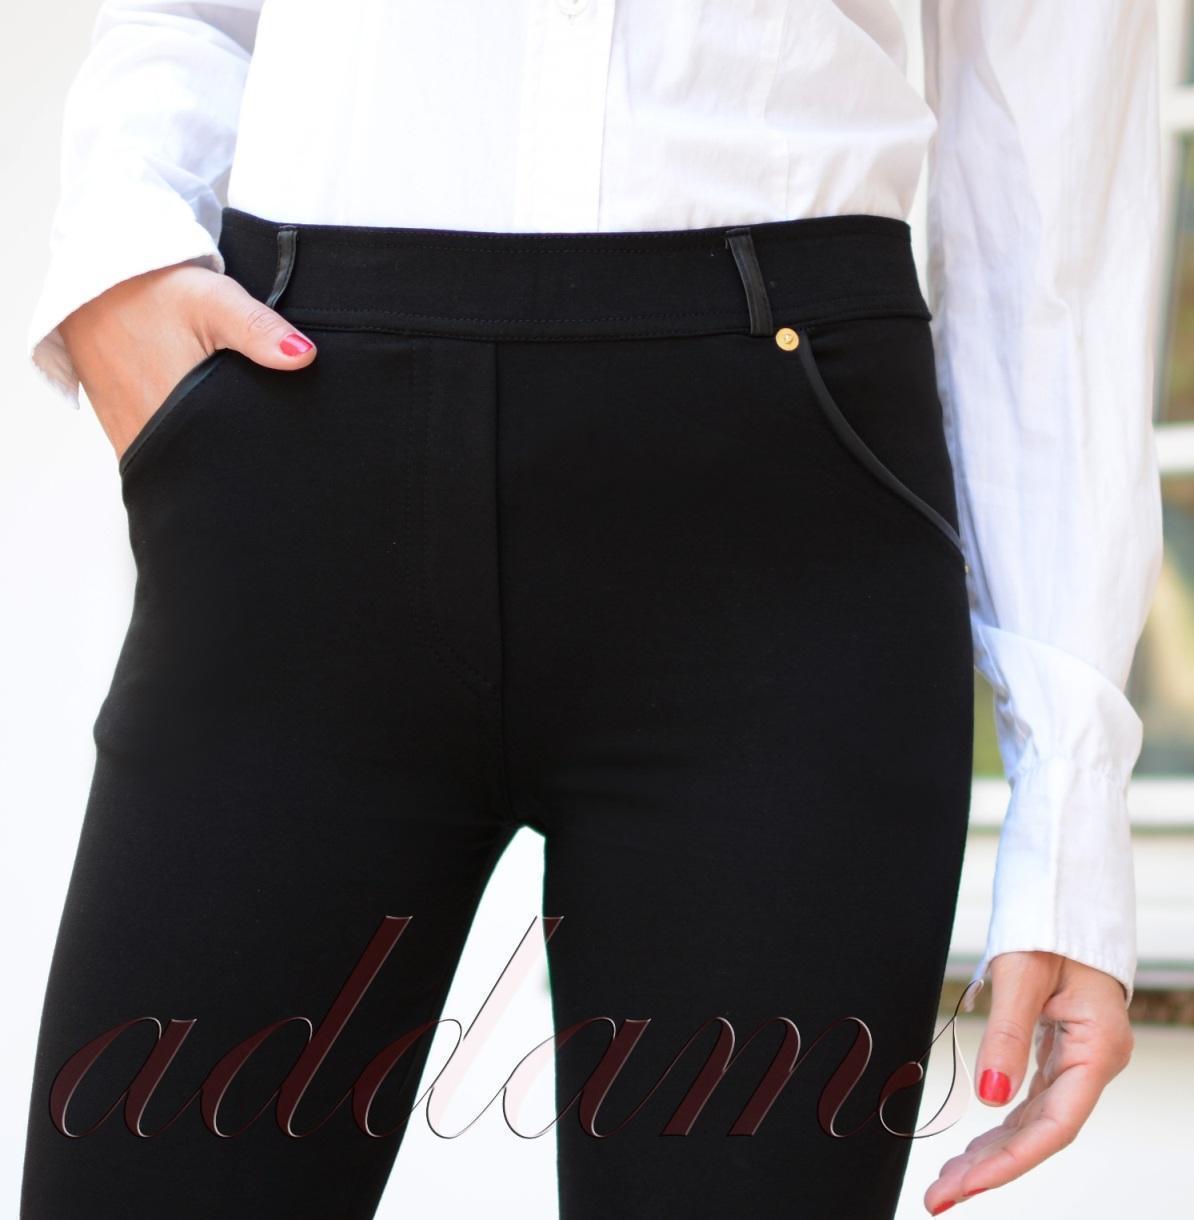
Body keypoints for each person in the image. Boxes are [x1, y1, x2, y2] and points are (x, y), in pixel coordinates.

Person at [19, 2, 1161, 1217]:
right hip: (306, 445)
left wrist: (1071, 797)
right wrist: (123, 252)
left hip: (778, 538)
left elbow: (1053, 132)